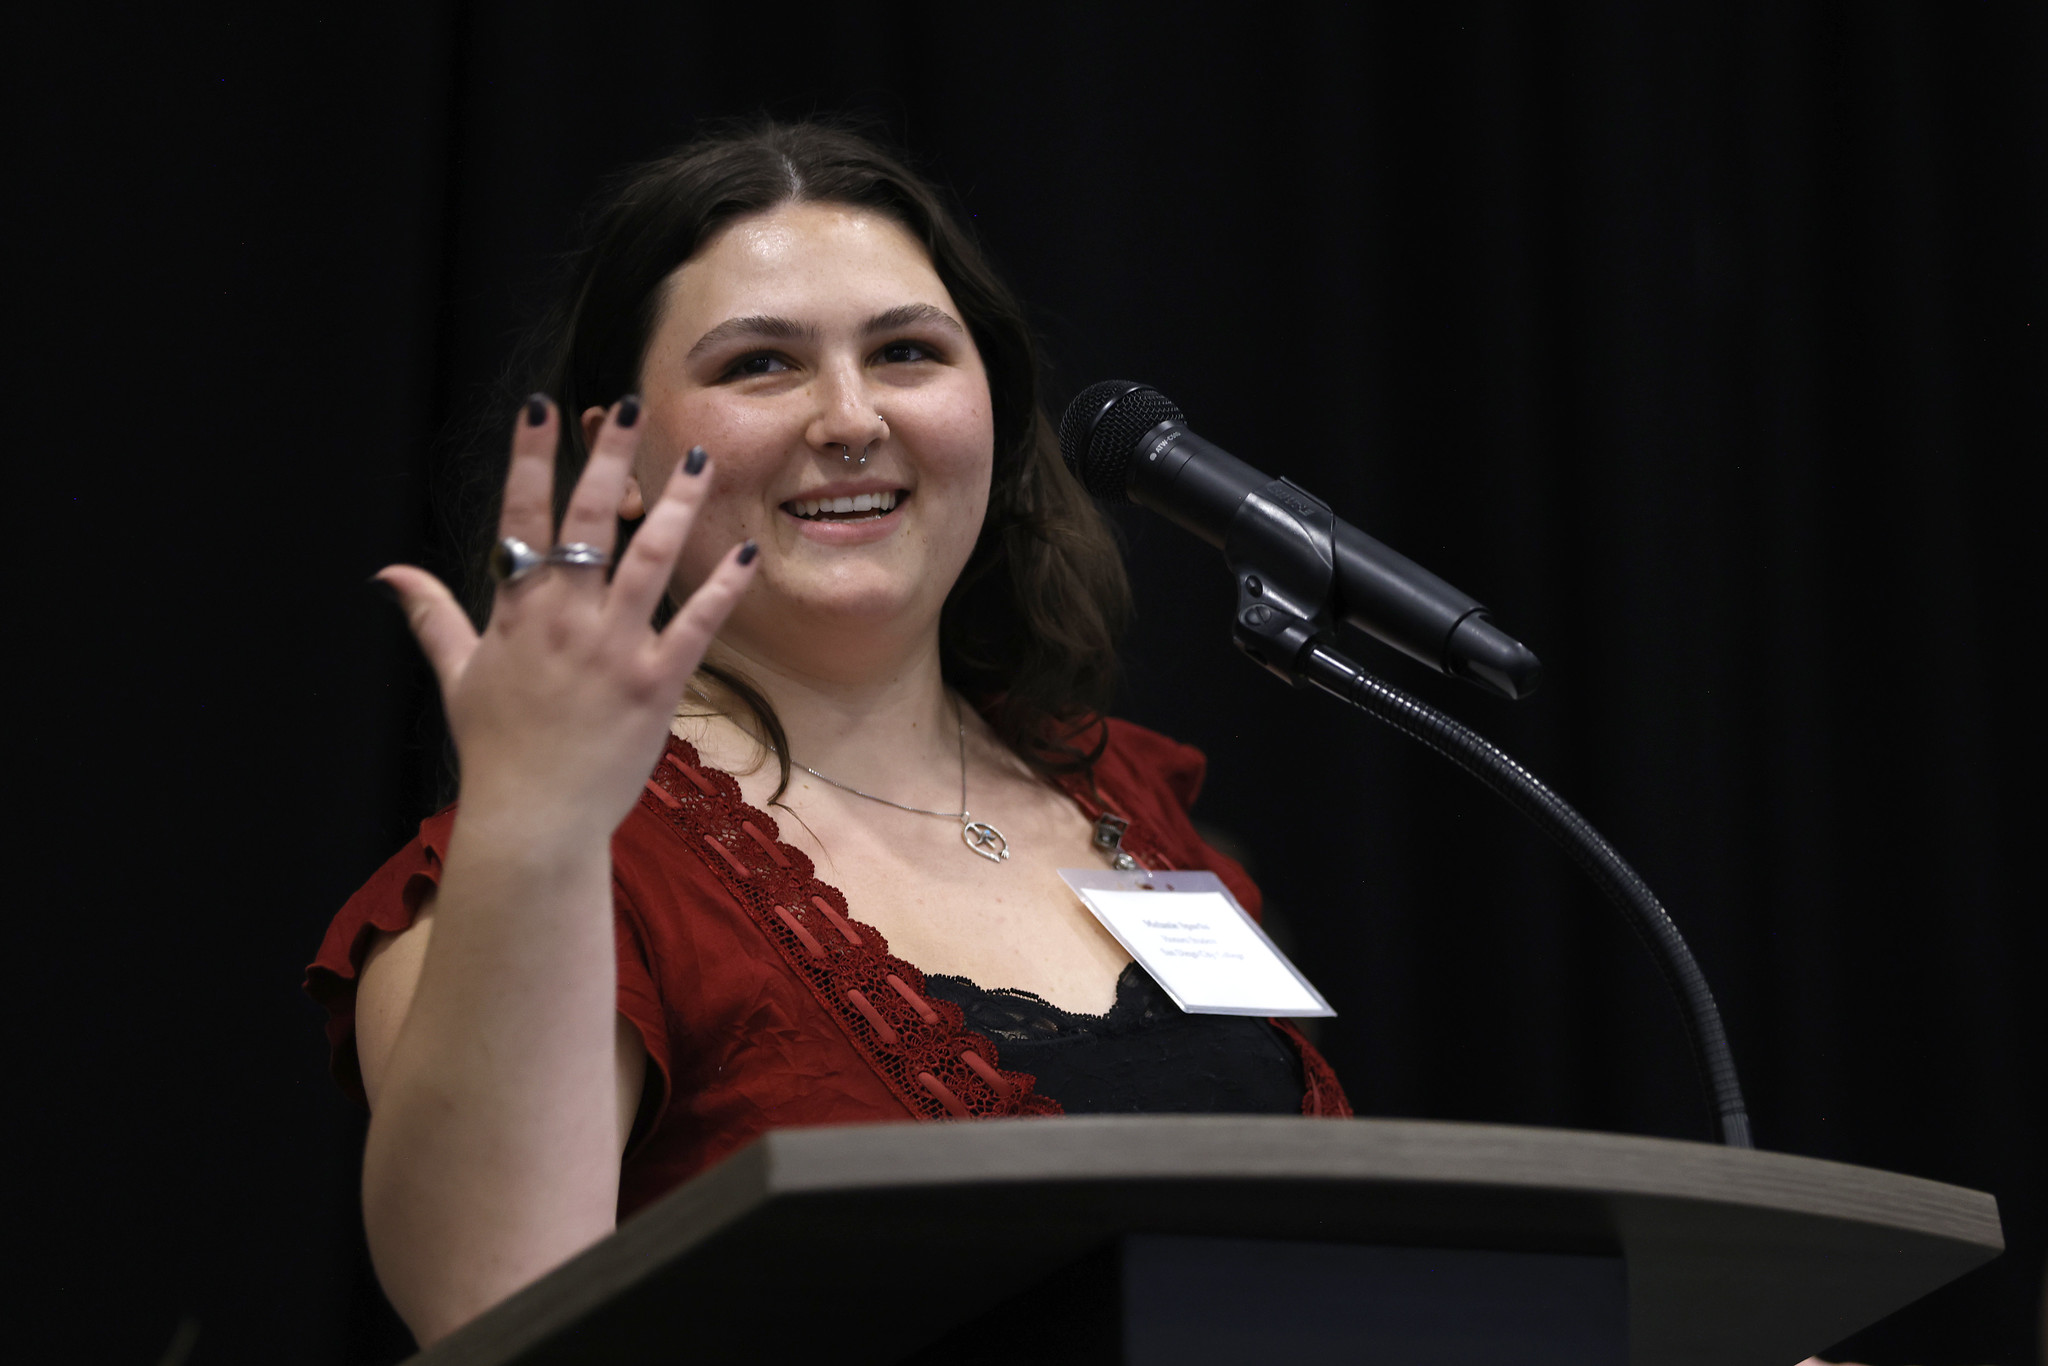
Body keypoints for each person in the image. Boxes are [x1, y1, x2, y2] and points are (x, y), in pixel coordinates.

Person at [306, 121, 1350, 1345]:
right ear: (619, 457)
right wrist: (532, 824)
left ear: (995, 416)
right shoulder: (548, 867)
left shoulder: (1127, 797)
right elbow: (486, 1302)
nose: (849, 417)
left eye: (906, 351)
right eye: (761, 365)